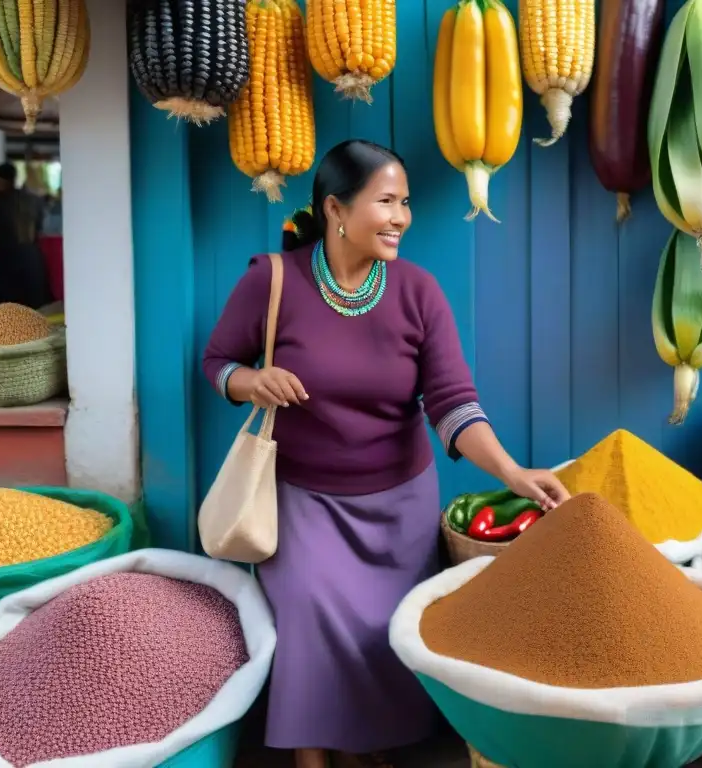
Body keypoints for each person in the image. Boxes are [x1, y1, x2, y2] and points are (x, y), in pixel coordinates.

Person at [203, 140, 570, 768]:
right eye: (386, 201)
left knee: (385, 635)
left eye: (405, 202)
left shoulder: (417, 291)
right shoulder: (272, 279)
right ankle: (310, 756)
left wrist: (512, 470)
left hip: (399, 505)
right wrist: (249, 381)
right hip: (302, 502)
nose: (401, 216)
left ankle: (360, 750)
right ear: (336, 210)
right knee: (311, 621)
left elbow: (452, 402)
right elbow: (216, 363)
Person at [0, 162, 51, 309]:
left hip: (8, 257)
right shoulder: (33, 199)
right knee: (35, 304)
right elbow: (40, 226)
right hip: (33, 257)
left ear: (0, 180)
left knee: (8, 306)